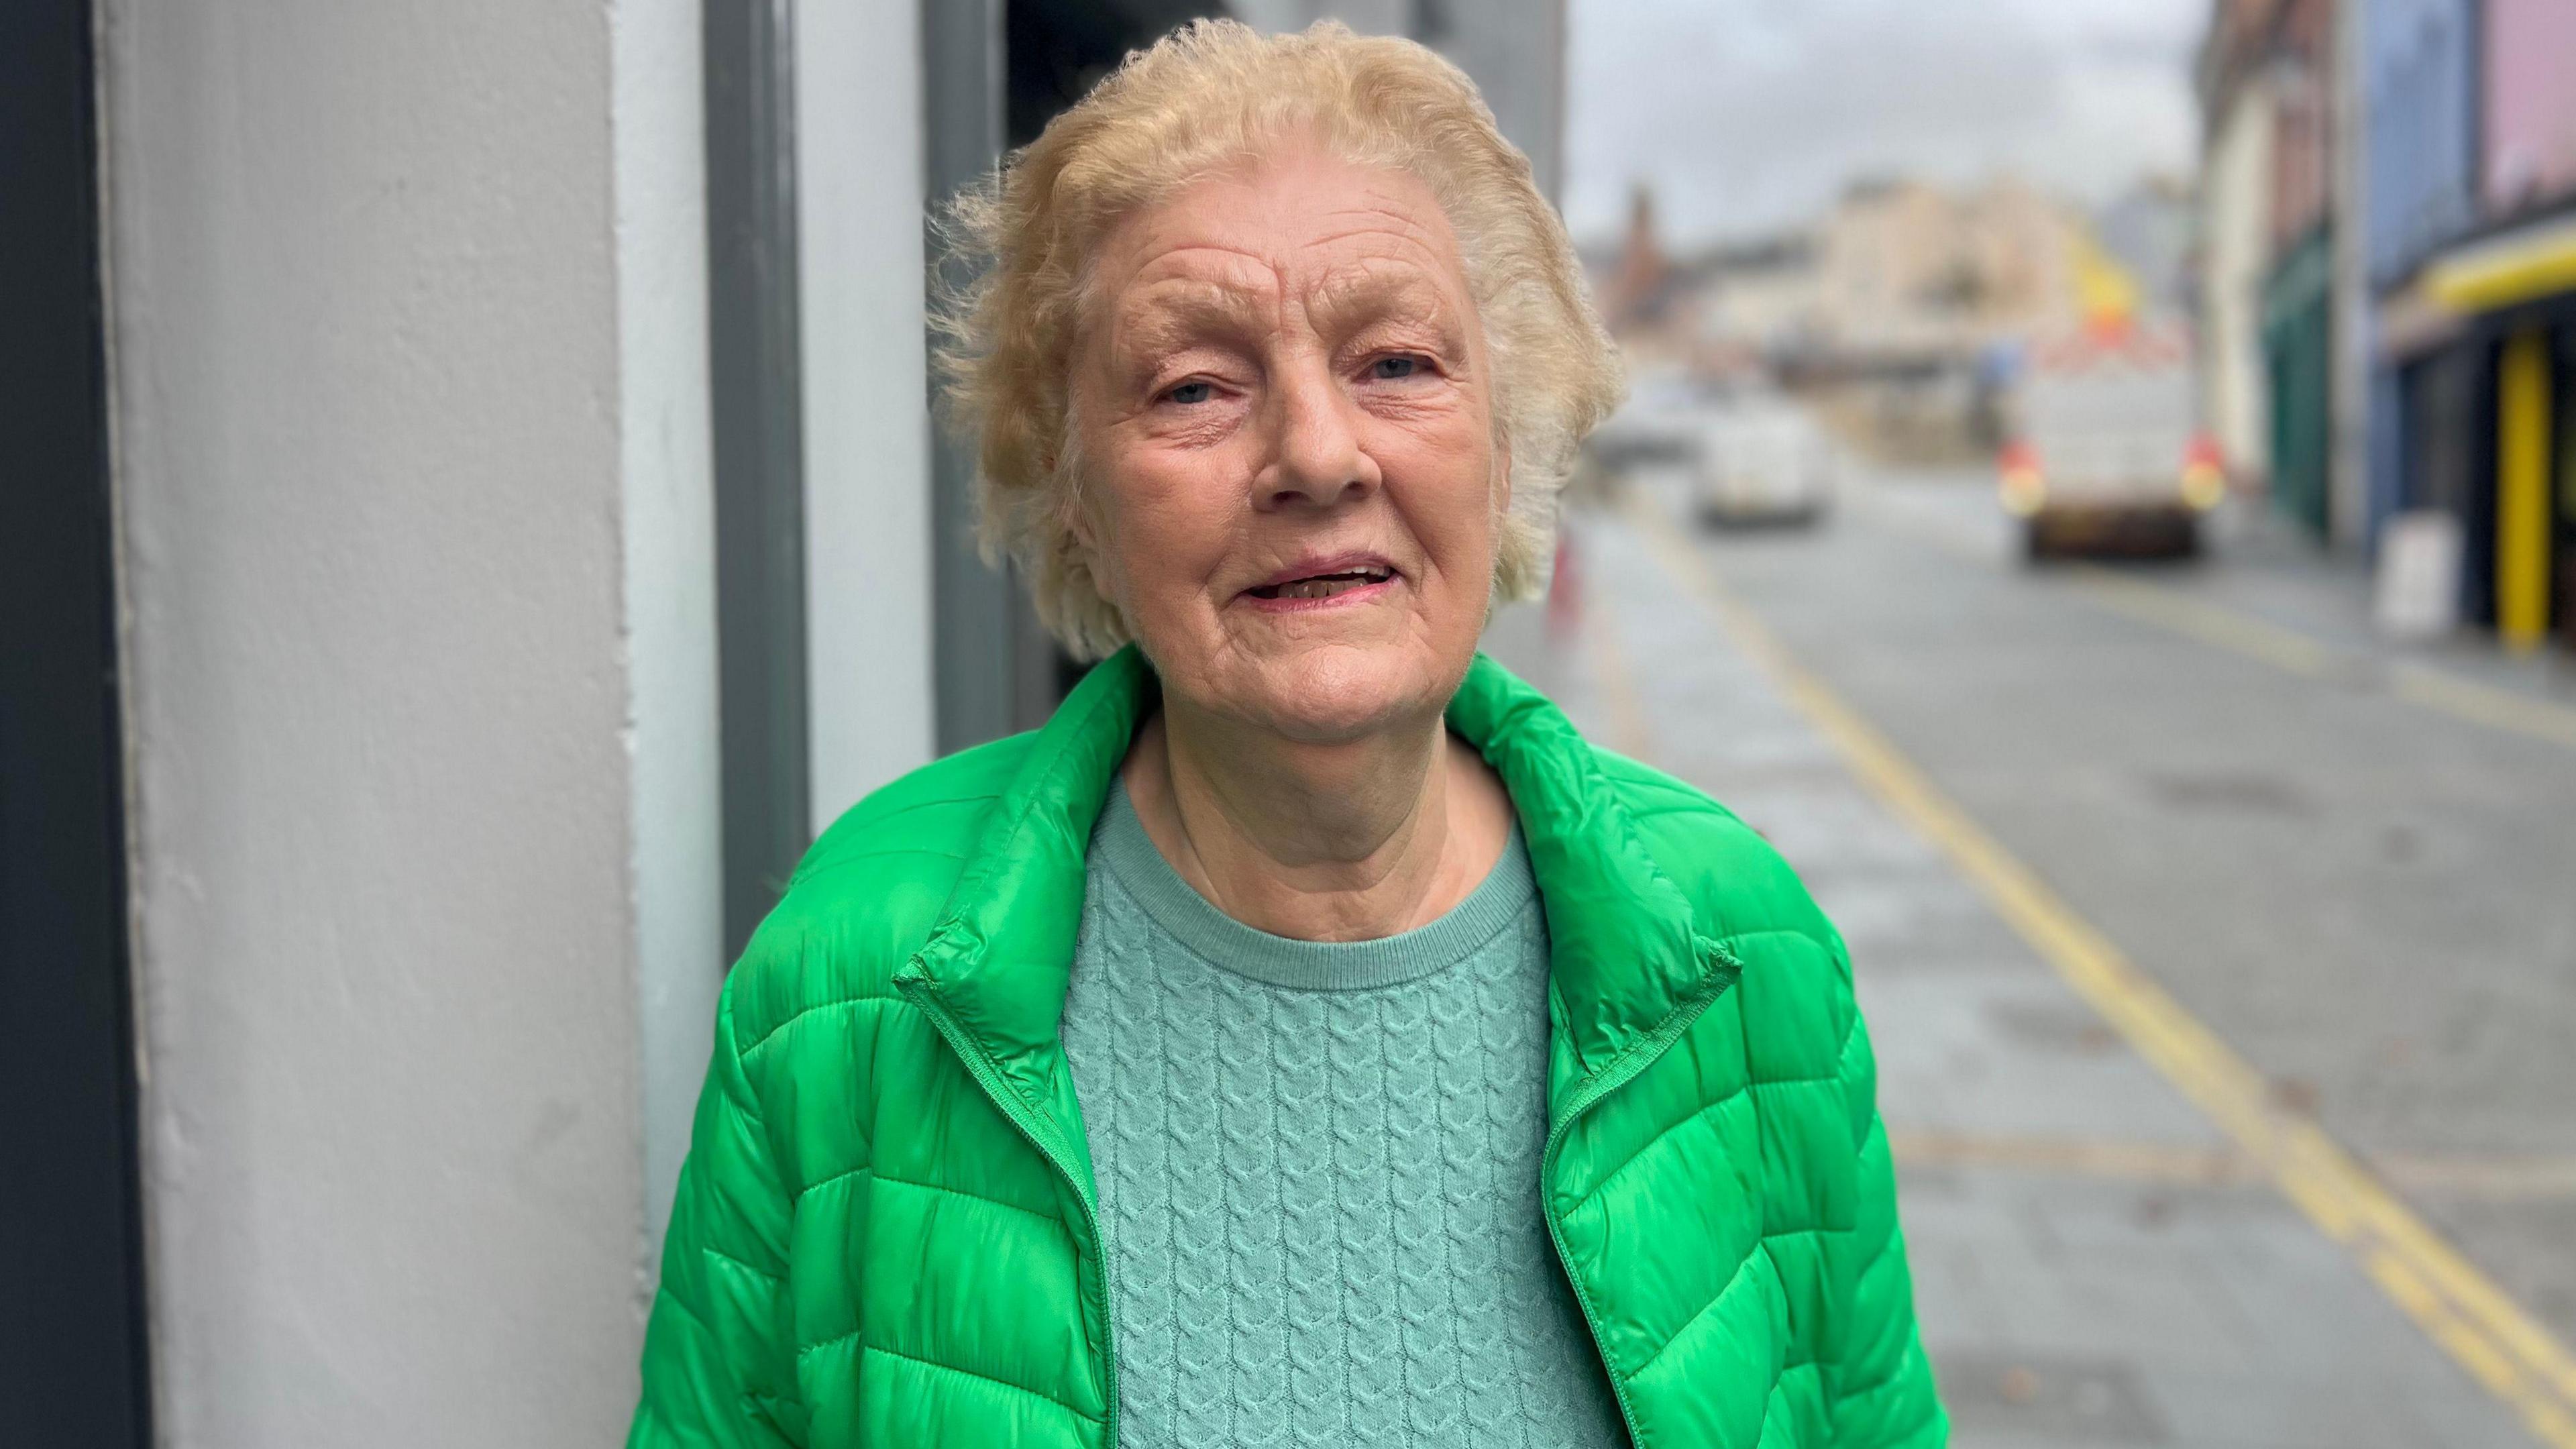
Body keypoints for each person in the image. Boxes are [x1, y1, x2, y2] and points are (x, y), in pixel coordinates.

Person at [631, 20, 1943, 1449]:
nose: (1319, 455)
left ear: (1508, 440)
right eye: (1195, 385)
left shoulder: (1746, 958)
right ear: (1075, 493)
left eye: (1396, 360)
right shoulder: (845, 990)